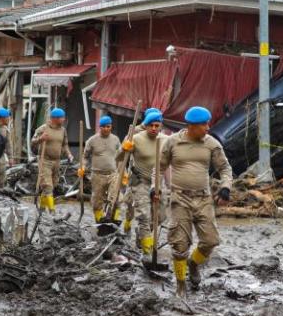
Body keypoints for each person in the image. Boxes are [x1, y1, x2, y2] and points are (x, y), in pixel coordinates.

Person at [159, 106, 233, 291]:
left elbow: (225, 168)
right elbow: (159, 167)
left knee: (211, 241)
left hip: (203, 199)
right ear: (191, 126)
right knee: (179, 244)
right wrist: (155, 188)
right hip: (179, 199)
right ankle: (181, 285)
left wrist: (225, 187)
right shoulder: (172, 142)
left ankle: (193, 263)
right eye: (204, 124)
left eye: (208, 123)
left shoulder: (212, 144)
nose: (208, 127)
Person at [117, 108, 166, 255]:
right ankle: (148, 252)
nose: (153, 128)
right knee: (143, 215)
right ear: (146, 124)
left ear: (161, 125)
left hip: (157, 183)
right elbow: (119, 157)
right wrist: (124, 148)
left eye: (157, 125)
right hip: (139, 181)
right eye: (151, 125)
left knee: (160, 217)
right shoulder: (136, 137)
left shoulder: (166, 140)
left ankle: (142, 234)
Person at [33, 108, 74, 213]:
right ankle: (52, 210)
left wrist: (69, 154)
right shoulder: (43, 128)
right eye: (62, 118)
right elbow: (33, 141)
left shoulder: (63, 130)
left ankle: (42, 207)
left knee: (53, 185)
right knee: (48, 185)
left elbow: (65, 144)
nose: (64, 120)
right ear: (54, 118)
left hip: (57, 161)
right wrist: (41, 139)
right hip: (45, 160)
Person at [81, 115, 121, 222]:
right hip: (97, 175)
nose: (106, 129)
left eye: (108, 126)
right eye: (104, 127)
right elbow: (85, 156)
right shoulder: (92, 140)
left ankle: (114, 220)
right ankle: (99, 222)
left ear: (111, 127)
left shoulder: (115, 140)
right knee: (97, 200)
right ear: (100, 127)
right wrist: (83, 167)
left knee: (116, 197)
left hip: (113, 173)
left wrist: (124, 172)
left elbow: (121, 158)